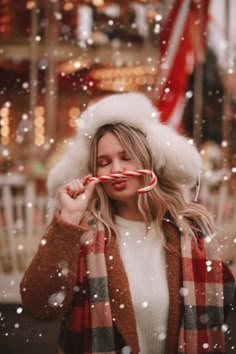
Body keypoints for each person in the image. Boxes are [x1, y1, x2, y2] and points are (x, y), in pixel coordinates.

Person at [20, 93, 235, 354]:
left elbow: (219, 305)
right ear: (93, 172)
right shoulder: (84, 237)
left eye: (126, 157)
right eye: (104, 162)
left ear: (148, 160)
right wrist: (67, 220)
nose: (116, 170)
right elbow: (38, 304)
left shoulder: (189, 232)